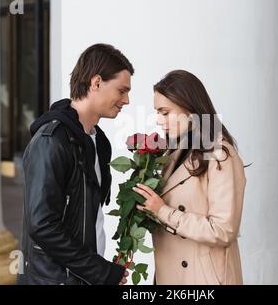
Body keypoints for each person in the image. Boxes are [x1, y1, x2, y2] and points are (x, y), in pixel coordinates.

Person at [17, 43, 133, 285]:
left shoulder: (99, 142)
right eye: (121, 91)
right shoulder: (51, 142)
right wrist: (100, 271)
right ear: (96, 82)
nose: (127, 100)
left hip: (84, 278)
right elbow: (43, 226)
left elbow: (88, 216)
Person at [133, 70, 246, 285]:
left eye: (165, 112)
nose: (159, 121)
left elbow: (223, 231)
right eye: (157, 112)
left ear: (190, 109)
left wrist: (163, 211)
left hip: (204, 279)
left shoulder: (221, 154)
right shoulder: (175, 152)